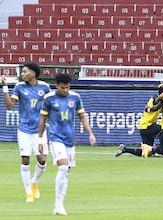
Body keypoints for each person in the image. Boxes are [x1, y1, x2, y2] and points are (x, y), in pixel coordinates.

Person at [38, 73, 96, 216]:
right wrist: (40, 140)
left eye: (67, 87)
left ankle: (59, 206)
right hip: (55, 137)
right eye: (63, 88)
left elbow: (82, 116)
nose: (65, 90)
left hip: (69, 139)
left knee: (66, 173)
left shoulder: (75, 97)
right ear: (57, 86)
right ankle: (58, 204)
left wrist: (90, 133)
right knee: (63, 167)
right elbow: (43, 120)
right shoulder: (49, 98)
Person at [1, 62, 51, 202]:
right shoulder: (19, 87)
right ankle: (29, 192)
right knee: (25, 159)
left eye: (24, 72)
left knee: (42, 160)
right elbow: (10, 106)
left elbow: (51, 105)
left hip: (40, 130)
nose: (22, 74)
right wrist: (5, 87)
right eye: (22, 72)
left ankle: (34, 182)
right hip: (24, 129)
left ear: (33, 73)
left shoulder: (45, 87)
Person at [114, 83, 163, 158]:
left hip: (143, 126)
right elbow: (156, 107)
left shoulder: (157, 100)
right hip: (148, 126)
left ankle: (125, 149)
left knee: (147, 151)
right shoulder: (156, 98)